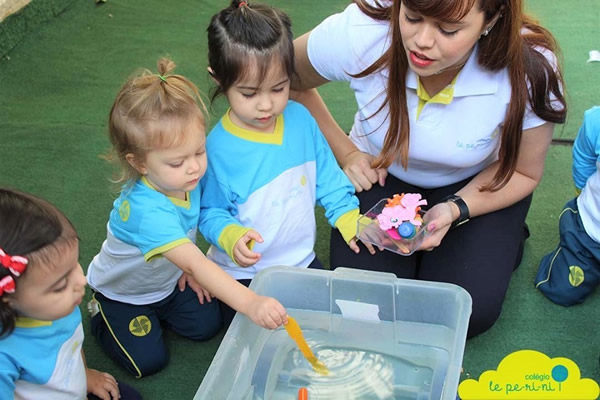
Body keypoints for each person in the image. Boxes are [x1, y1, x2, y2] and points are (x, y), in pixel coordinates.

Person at [290, 0, 567, 337]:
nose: (421, 40)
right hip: (380, 174)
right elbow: (284, 78)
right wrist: (346, 152)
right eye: (411, 17)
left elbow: (524, 172)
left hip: (477, 185)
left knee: (465, 313)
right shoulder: (361, 32)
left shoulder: (531, 65)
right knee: (364, 305)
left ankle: (503, 236)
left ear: (491, 20)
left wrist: (455, 209)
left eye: (448, 29)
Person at [86, 57, 287, 378]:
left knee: (207, 325)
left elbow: (194, 241)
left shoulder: (186, 179)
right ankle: (100, 312)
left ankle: (162, 309)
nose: (193, 167)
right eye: (177, 162)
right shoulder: (145, 210)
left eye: (198, 152)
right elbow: (196, 263)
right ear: (139, 163)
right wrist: (251, 304)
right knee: (148, 363)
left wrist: (195, 260)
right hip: (125, 296)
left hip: (167, 283)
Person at [202, 0, 367, 324]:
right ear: (219, 80)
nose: (266, 105)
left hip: (301, 262)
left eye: (279, 88)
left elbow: (328, 178)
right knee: (268, 336)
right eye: (249, 93)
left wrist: (348, 216)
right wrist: (230, 235)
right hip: (244, 276)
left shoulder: (302, 120)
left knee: (332, 323)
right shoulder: (216, 148)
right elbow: (209, 212)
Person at [0, 188, 142, 400]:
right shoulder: (5, 358)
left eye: (74, 266)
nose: (81, 281)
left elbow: (71, 344)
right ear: (7, 300)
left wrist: (85, 375)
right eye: (59, 286)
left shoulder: (59, 305)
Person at [535, 106, 600, 306]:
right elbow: (584, 157)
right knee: (560, 290)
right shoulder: (596, 121)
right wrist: (581, 190)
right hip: (590, 232)